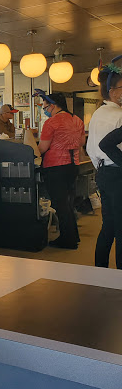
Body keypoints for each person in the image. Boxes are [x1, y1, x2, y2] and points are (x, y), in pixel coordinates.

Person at [36, 90, 85, 249]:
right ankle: (73, 236)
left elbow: (42, 148)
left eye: (45, 107)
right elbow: (81, 142)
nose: (45, 110)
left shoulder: (51, 123)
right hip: (73, 165)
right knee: (68, 202)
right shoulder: (77, 120)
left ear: (53, 105)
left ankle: (67, 240)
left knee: (60, 203)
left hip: (55, 166)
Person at [86, 57, 122, 269]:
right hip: (118, 174)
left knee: (108, 225)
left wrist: (101, 167)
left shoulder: (98, 113)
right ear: (113, 91)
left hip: (103, 173)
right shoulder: (119, 115)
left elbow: (91, 148)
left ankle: (100, 270)